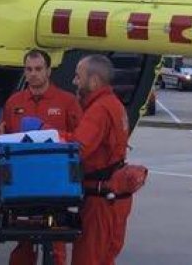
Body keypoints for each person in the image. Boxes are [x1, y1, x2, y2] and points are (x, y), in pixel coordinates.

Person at [0, 49, 83, 265]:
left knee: (56, 245)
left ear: (48, 71)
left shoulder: (67, 101)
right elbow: (3, 138)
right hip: (22, 186)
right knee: (24, 242)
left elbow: (80, 141)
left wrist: (50, 135)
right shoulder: (14, 102)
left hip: (56, 185)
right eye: (29, 69)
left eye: (38, 69)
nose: (33, 74)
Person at [69, 55, 133, 265]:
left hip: (101, 202)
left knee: (87, 259)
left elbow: (77, 150)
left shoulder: (99, 110)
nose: (74, 82)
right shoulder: (114, 104)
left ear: (94, 81)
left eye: (78, 77)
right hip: (114, 198)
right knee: (105, 259)